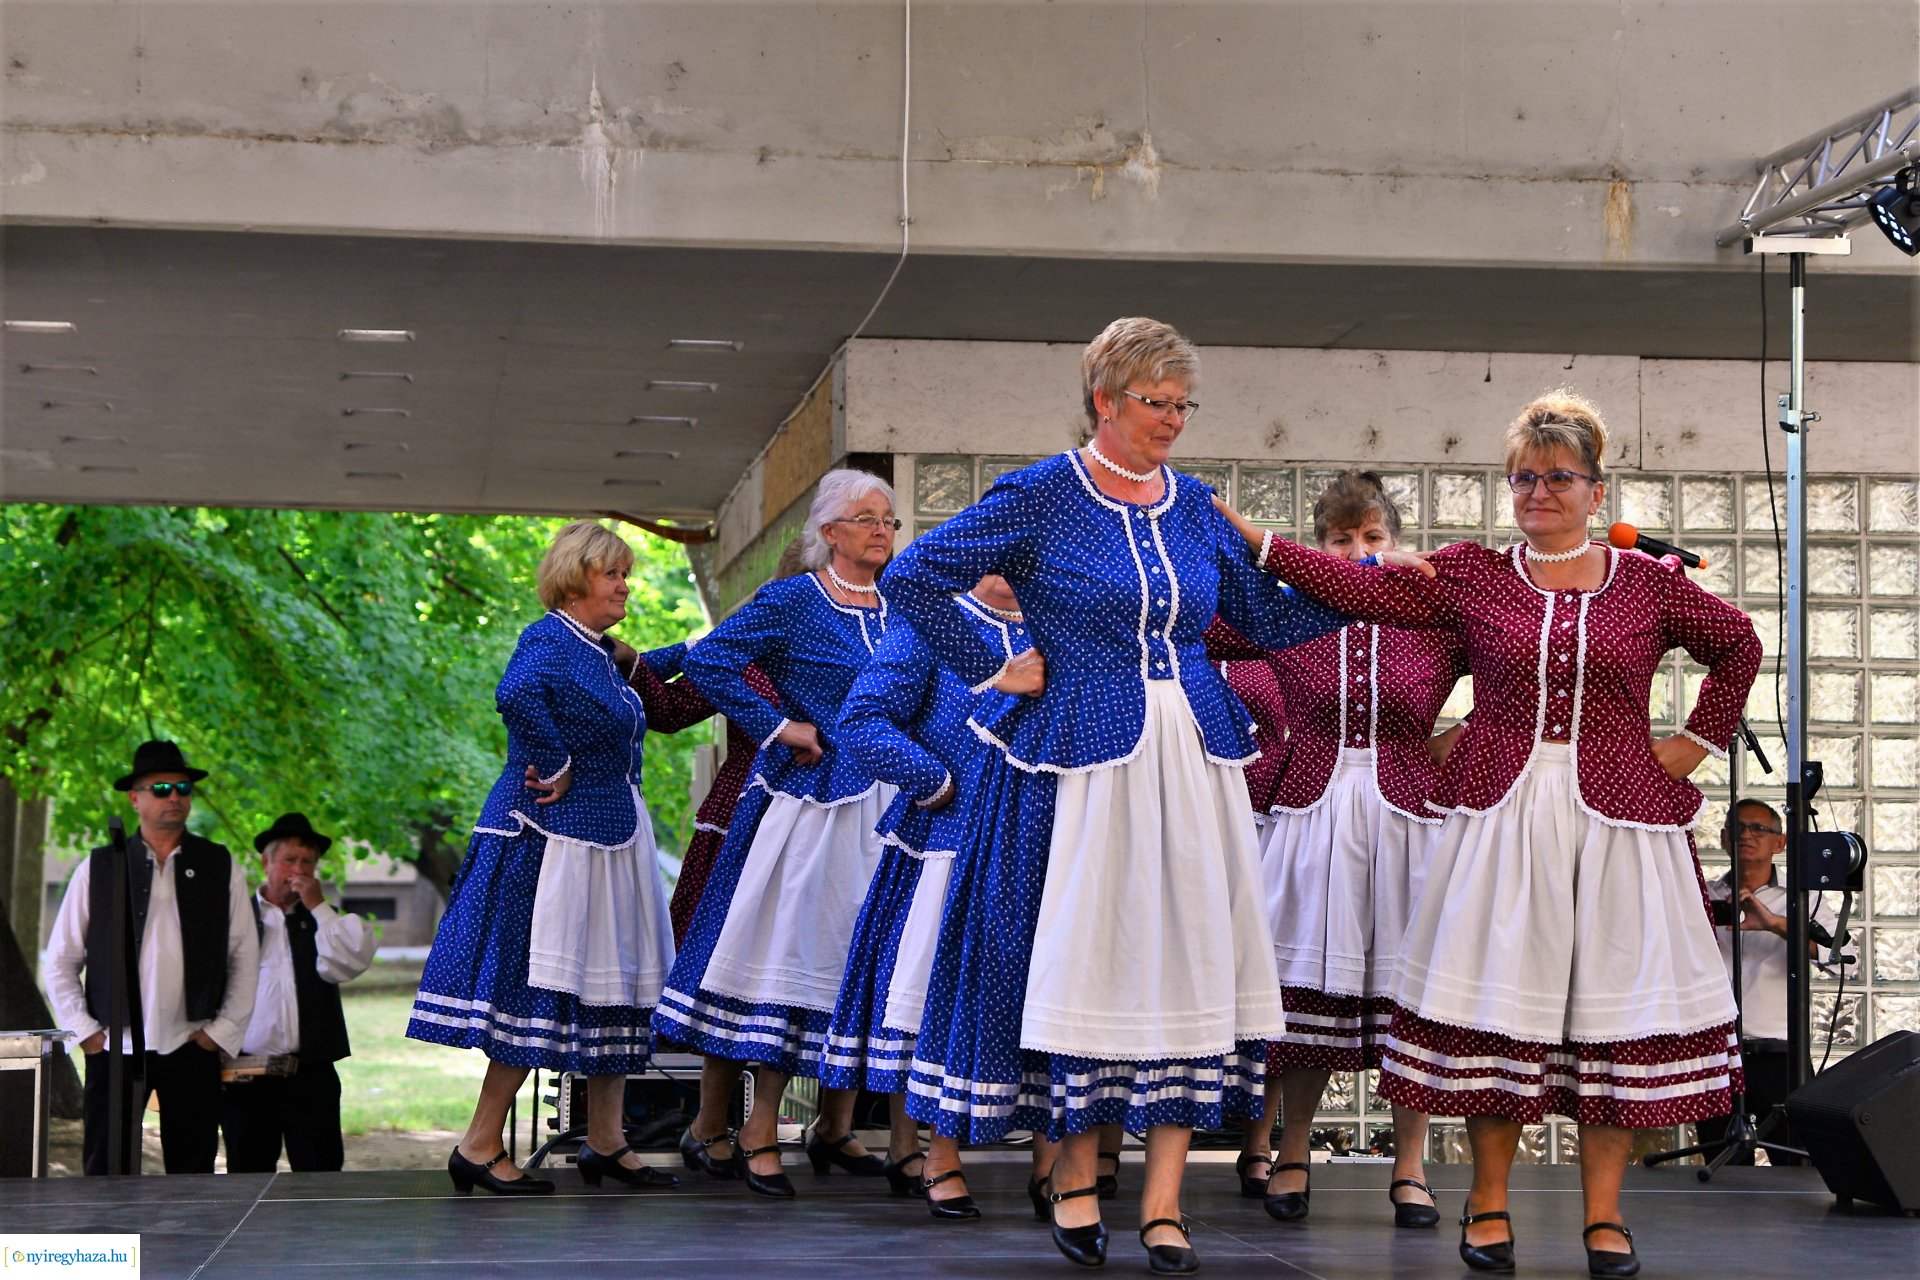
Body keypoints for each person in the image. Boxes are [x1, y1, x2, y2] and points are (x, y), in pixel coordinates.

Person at [1220, 389, 1762, 1278]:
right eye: (1523, 478)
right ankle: (1488, 1200)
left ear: (1595, 488)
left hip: (1620, 816)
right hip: (1503, 817)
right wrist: (1253, 540)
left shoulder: (1650, 586)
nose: (1538, 492)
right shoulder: (1472, 575)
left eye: (1558, 477)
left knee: (1610, 1012)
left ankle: (1603, 1215)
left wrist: (1694, 744)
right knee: (1491, 1007)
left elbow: (1738, 643)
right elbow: (1355, 585)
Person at [881, 317, 1348, 1274]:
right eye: (1155, 403)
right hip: (1081, 758)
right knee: (1090, 959)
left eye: (1183, 405)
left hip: (1192, 755)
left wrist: (1378, 587)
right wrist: (999, 660)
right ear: (1105, 399)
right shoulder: (1045, 493)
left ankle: (1167, 1202)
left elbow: (1259, 614)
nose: (1173, 420)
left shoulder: (1193, 506)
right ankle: (1081, 1178)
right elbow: (916, 574)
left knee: (1187, 958)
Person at [407, 520, 679, 1194]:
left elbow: (646, 672)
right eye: (612, 573)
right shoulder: (549, 638)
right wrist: (553, 763)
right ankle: (477, 1143)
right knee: (540, 991)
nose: (624, 585)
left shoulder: (597, 650)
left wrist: (710, 648)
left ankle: (609, 1140)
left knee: (615, 983)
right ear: (575, 576)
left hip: (609, 837)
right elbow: (516, 695)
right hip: (549, 840)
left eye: (626, 573)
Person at [653, 469, 905, 1198]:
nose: (882, 530)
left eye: (889, 519)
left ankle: (836, 1124)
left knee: (855, 964)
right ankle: (756, 1126)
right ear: (830, 532)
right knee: (783, 964)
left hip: (886, 805)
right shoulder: (796, 600)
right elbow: (709, 659)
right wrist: (779, 724)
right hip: (812, 808)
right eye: (866, 518)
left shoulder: (902, 610)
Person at [1244, 472, 1467, 1229]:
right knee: (1306, 989)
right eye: (1341, 540)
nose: (1359, 551)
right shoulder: (1290, 614)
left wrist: (1455, 748)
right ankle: (1294, 1148)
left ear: (1395, 542)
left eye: (1373, 538)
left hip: (1410, 818)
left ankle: (1411, 1165)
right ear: (1319, 547)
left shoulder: (1435, 622)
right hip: (1310, 811)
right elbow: (1202, 626)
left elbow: (1517, 679)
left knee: (1413, 998)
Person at [822, 575, 1035, 1220]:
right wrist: (928, 776)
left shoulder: (1057, 628)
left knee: (1033, 1001)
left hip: (1037, 838)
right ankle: (930, 1153)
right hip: (948, 839)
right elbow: (861, 718)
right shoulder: (933, 624)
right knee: (941, 994)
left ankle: (1054, 1165)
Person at [44, 739, 259, 1175]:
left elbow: (244, 956)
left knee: (192, 1171)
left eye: (182, 787)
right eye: (161, 788)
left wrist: (220, 1033)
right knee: (107, 1170)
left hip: (192, 1042)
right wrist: (86, 1033)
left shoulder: (218, 865)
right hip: (114, 1046)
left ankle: (191, 1248)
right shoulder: (100, 867)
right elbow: (61, 958)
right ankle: (112, 1245)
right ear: (134, 797)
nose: (175, 797)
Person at [1697, 799, 1858, 1164]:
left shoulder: (1805, 898)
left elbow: (1847, 960)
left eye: (1758, 828)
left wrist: (1774, 923)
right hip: (1716, 1052)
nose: (1746, 835)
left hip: (1780, 1056)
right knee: (1721, 1171)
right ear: (1723, 839)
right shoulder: (1702, 896)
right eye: (1736, 828)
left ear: (1780, 843)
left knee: (1796, 1168)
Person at [221, 812, 377, 1173]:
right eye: (289, 860)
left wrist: (318, 906)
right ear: (266, 862)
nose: (298, 870)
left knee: (319, 1174)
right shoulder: (236, 915)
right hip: (246, 1072)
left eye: (307, 862)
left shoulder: (325, 920)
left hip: (310, 1072)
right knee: (247, 1173)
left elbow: (347, 964)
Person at [1200, 616, 1291, 1195]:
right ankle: (1110, 1138)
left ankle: (1258, 1139)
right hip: (1182, 813)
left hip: (1267, 820)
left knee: (1267, 974)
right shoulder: (1167, 618)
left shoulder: (1275, 626)